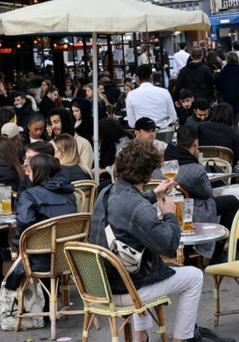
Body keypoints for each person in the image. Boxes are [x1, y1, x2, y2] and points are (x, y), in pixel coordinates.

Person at [90, 140, 204, 342]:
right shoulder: (137, 206)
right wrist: (169, 215)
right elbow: (168, 247)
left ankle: (140, 336)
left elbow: (129, 209)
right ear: (149, 172)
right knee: (194, 276)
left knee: (140, 259)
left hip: (102, 286)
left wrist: (152, 194)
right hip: (127, 290)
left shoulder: (107, 193)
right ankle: (181, 338)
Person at [154, 126, 239, 261]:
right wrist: (198, 163)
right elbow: (206, 193)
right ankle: (216, 253)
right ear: (196, 143)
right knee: (231, 202)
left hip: (160, 204)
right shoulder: (194, 170)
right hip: (187, 208)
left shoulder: (162, 160)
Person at [3, 154, 77, 291]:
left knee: (21, 246)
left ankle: (45, 299)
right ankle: (56, 298)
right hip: (70, 257)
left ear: (36, 172)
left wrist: (16, 241)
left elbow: (25, 224)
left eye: (29, 170)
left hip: (42, 259)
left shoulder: (29, 195)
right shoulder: (70, 194)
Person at [126, 64, 177, 129]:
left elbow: (132, 124)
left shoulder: (131, 95)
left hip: (143, 134)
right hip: (163, 133)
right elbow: (173, 118)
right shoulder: (164, 92)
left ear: (137, 78)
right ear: (151, 76)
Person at [49, 108, 94, 172]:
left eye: (56, 122)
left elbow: (84, 172)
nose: (53, 126)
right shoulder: (50, 144)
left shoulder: (83, 144)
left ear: (65, 122)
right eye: (51, 123)